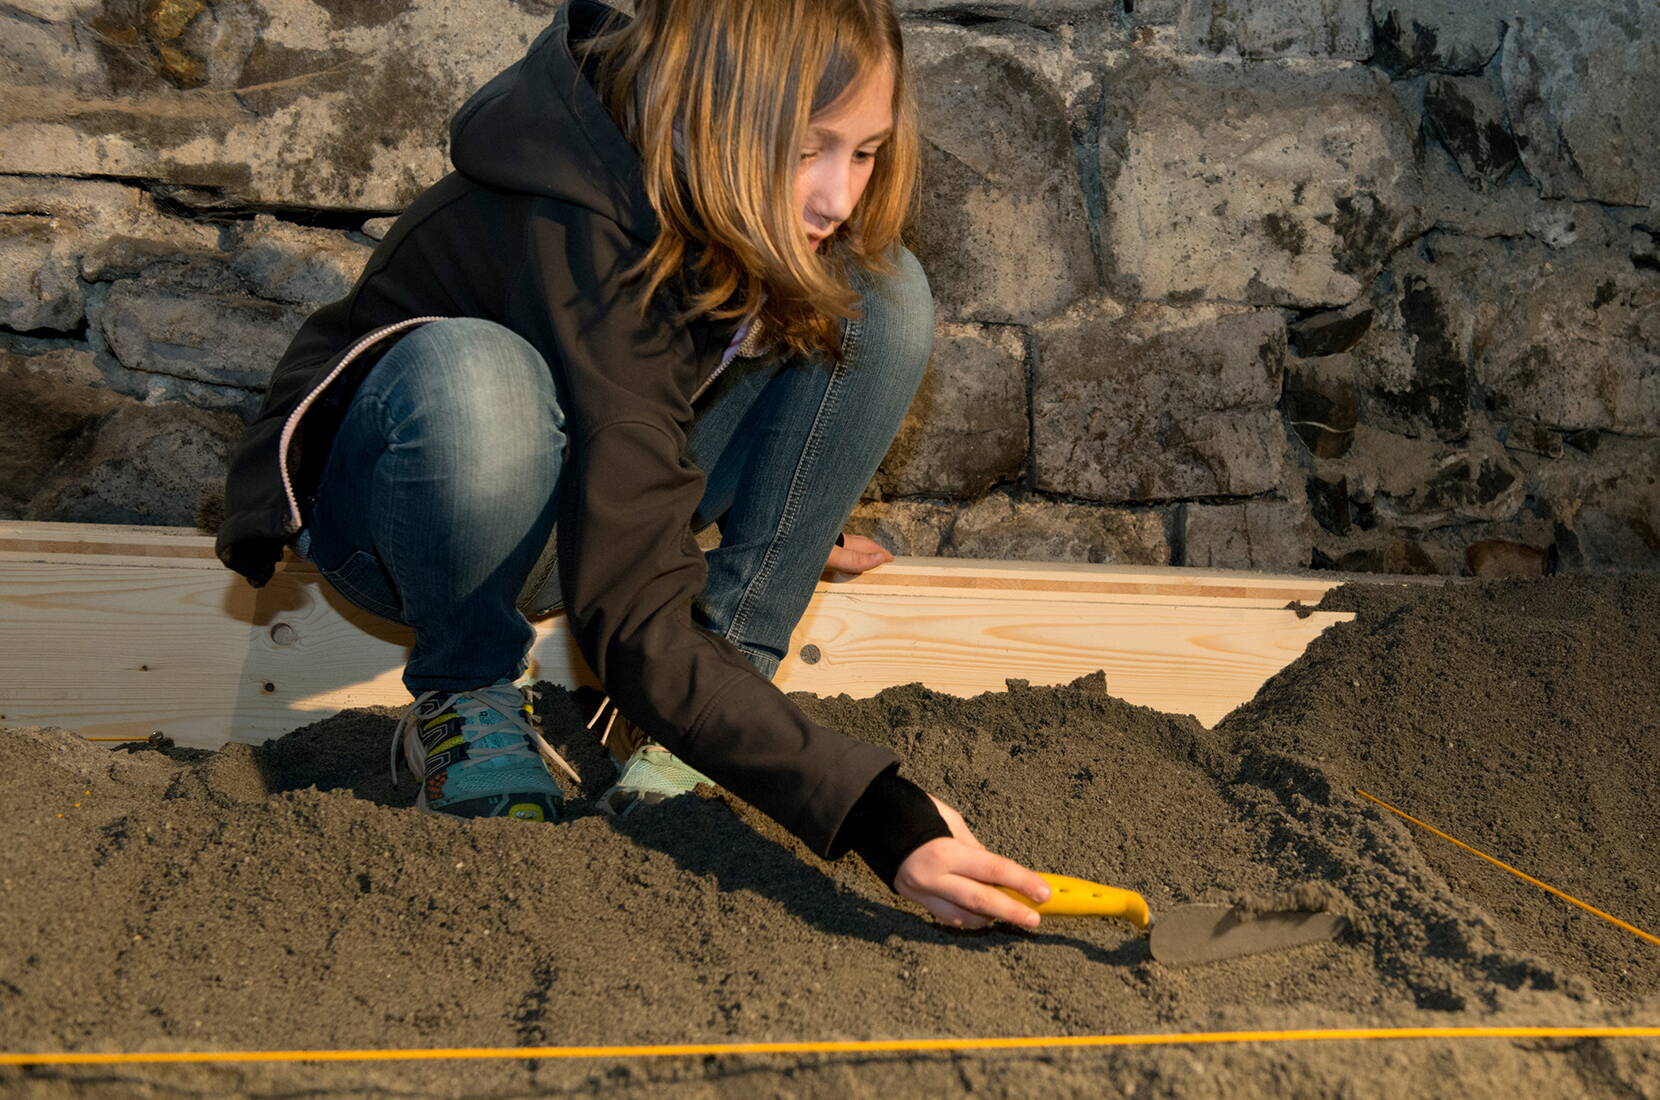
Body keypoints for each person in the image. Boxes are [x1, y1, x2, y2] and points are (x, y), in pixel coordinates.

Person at [216, 0, 1050, 930]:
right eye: (808, 149)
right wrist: (878, 815)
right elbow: (628, 615)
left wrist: (776, 508)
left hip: (595, 496)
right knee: (479, 380)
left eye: (864, 152)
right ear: (711, 111)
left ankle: (722, 674)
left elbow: (652, 412)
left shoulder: (703, 175)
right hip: (414, 527)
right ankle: (468, 689)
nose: (837, 196)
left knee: (881, 288)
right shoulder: (573, 223)